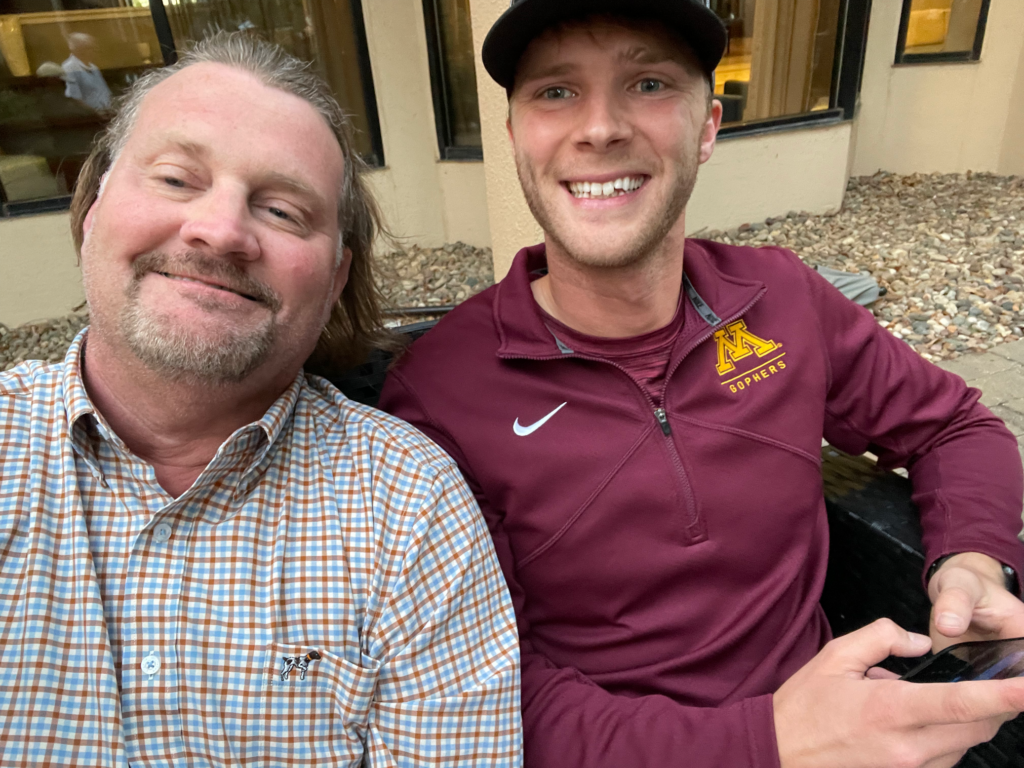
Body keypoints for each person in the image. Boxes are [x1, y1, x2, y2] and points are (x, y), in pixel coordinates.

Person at [378, 1, 1024, 766]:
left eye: (648, 84)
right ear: (516, 137)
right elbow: (485, 690)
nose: (600, 128)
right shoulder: (440, 393)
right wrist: (772, 743)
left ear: (708, 127)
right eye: (556, 91)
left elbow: (954, 425)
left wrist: (971, 559)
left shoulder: (782, 297)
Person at [0, 32, 521, 766]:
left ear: (335, 280)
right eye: (177, 178)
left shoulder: (407, 505)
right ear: (93, 209)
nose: (220, 231)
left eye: (281, 211)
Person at [62, 32, 112, 111]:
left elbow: (105, 91)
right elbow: (74, 98)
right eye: (90, 47)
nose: (95, 50)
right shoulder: (69, 67)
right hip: (90, 115)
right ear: (79, 50)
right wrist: (95, 113)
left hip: (107, 112)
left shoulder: (94, 67)